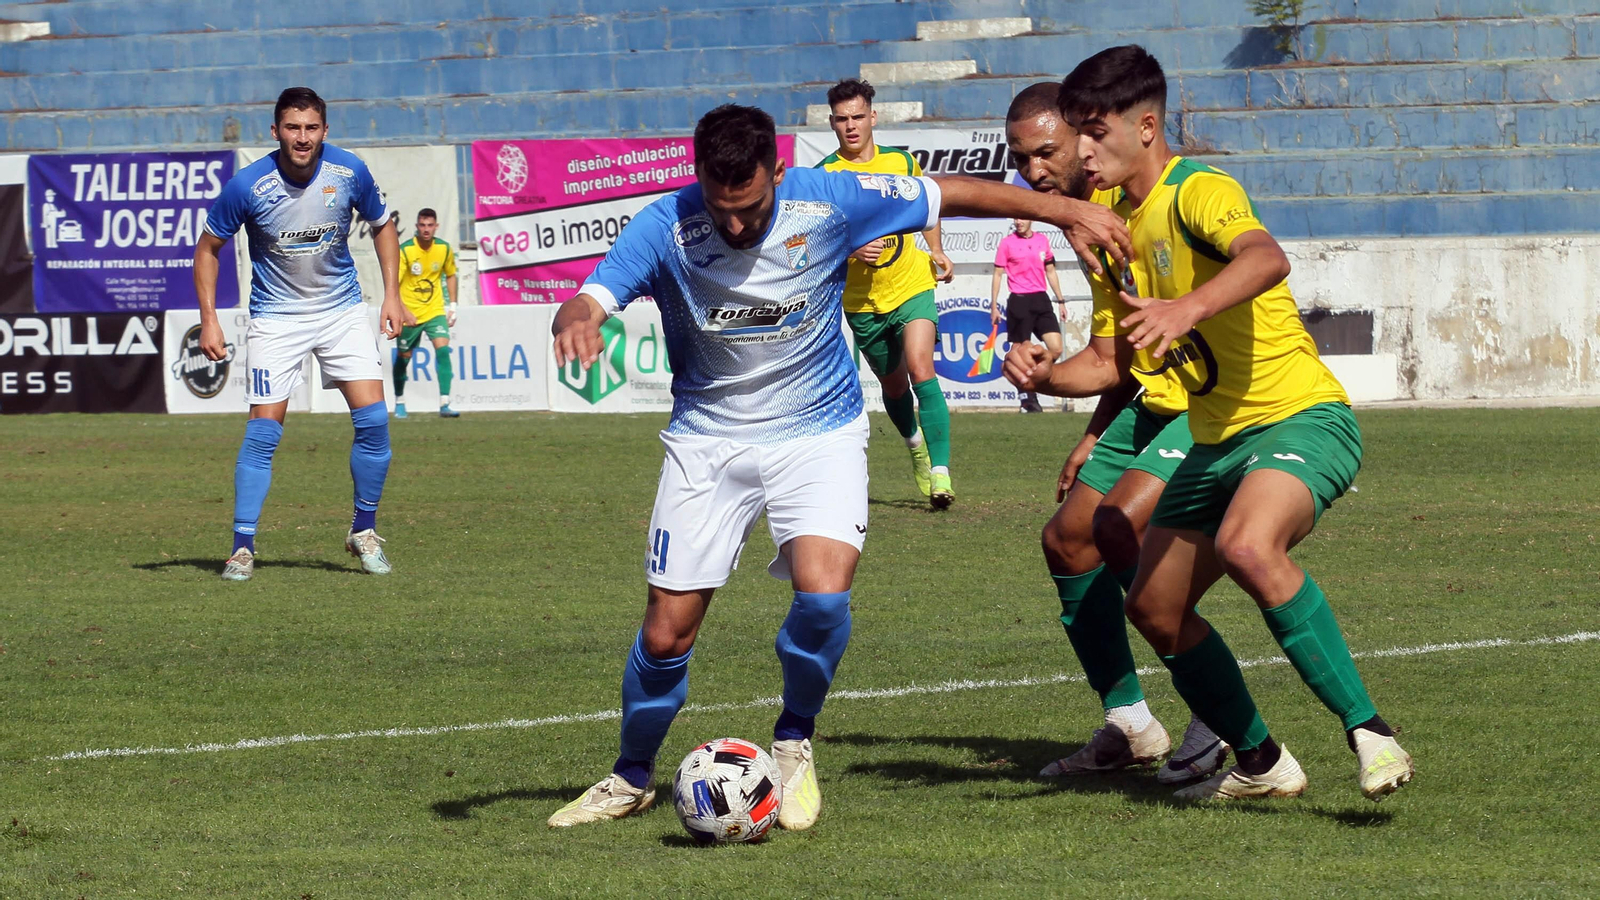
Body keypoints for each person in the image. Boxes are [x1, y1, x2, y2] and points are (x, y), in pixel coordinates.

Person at [545, 103, 1131, 831]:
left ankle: (793, 741)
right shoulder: (664, 223)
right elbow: (589, 297)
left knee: (824, 599)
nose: (736, 226)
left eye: (751, 207)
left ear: (778, 174)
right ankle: (630, 776)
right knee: (667, 635)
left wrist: (1066, 210)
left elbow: (951, 192)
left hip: (816, 434)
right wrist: (577, 319)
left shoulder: (830, 200)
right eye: (722, 209)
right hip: (707, 442)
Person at [1018, 45, 1414, 801]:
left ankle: (1371, 733)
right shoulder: (1115, 230)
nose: (1081, 152)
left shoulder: (1197, 189)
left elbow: (1266, 257)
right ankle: (1262, 762)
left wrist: (1188, 307)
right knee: (1152, 604)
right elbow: (1108, 361)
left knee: (1246, 545)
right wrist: (1048, 376)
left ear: (1145, 127)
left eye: (1094, 134)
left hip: (1297, 418)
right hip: (1212, 438)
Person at [1000, 82, 1228, 785]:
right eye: (1021, 159)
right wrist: (1090, 424)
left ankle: (1220, 716)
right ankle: (1131, 725)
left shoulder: (1134, 204)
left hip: (1209, 401)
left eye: (1047, 152)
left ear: (1084, 136)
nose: (1035, 170)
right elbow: (1117, 355)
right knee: (1068, 540)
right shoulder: (1088, 220)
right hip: (1152, 400)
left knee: (1121, 529)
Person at [195, 86, 407, 582]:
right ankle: (242, 548)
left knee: (375, 422)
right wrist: (209, 318)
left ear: (325, 131)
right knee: (263, 433)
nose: (303, 137)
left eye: (311, 128)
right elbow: (207, 249)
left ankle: (364, 530)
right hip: (276, 319)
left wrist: (392, 295)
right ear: (276, 131)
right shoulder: (248, 185)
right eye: (293, 127)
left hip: (341, 312)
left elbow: (382, 225)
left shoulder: (349, 171)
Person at [816, 78, 958, 508]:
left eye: (858, 116)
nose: (851, 126)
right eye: (842, 119)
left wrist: (936, 250)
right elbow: (814, 243)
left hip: (911, 282)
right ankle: (915, 445)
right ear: (832, 123)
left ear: (873, 117)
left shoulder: (901, 162)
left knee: (921, 368)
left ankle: (941, 472)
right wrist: (852, 249)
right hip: (862, 301)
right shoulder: (823, 176)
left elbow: (927, 206)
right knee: (895, 388)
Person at [990, 216, 1065, 412]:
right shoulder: (1007, 243)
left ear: (1031, 219)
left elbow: (1050, 271)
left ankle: (1035, 378)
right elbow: (997, 275)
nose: (1018, 222)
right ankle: (1027, 399)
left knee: (1056, 348)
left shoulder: (1042, 240)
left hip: (1041, 299)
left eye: (1022, 218)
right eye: (1015, 218)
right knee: (1019, 350)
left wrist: (1061, 300)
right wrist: (994, 306)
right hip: (1019, 300)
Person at [393, 207, 461, 418]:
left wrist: (453, 306)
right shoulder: (406, 250)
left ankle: (445, 403)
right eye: (422, 225)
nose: (426, 229)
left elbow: (451, 275)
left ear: (436, 226)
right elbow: (394, 285)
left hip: (434, 311)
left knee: (443, 350)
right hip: (410, 313)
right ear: (417, 226)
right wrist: (404, 312)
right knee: (404, 357)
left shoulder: (443, 249)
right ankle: (400, 401)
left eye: (430, 225)